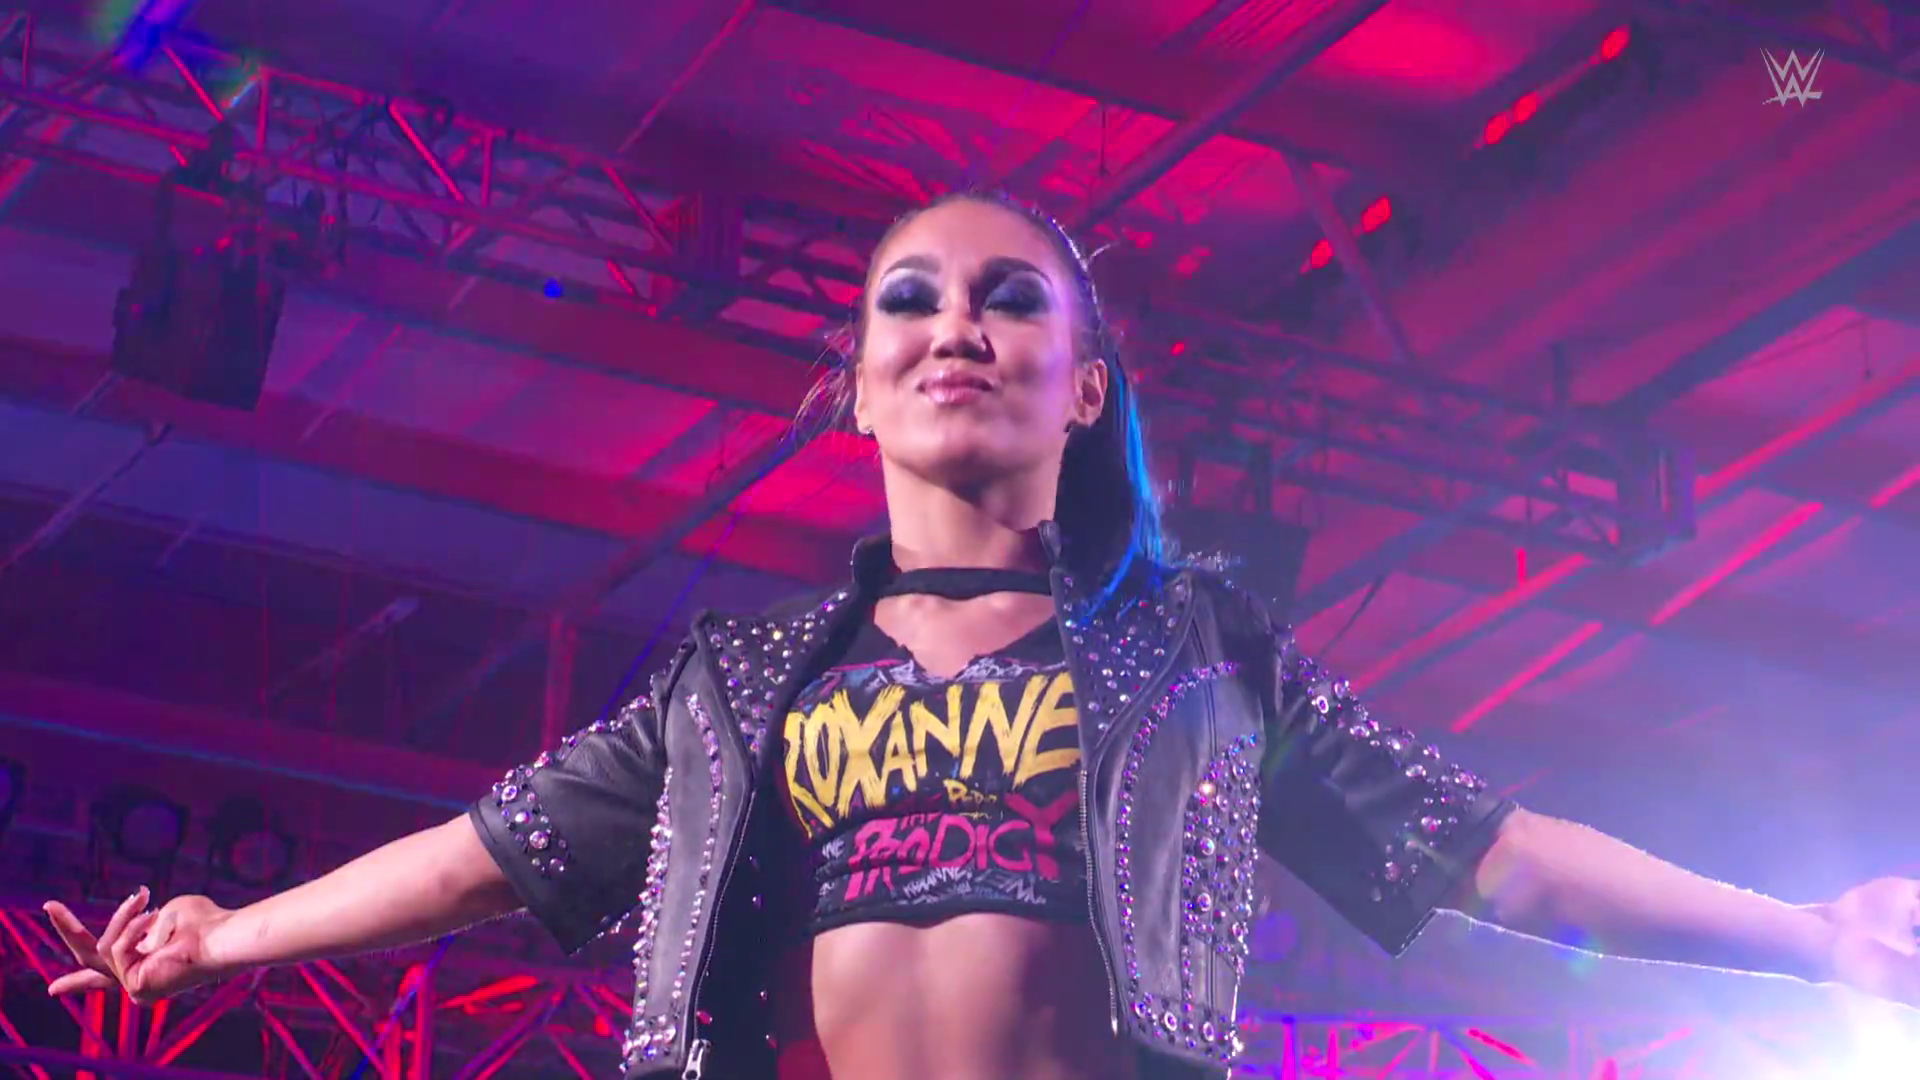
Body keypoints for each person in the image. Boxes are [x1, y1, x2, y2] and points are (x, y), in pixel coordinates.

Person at [43, 191, 1920, 1080]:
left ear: (1084, 384)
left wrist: (1812, 933)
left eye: (1012, 300)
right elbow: (488, 854)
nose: (958, 326)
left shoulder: (1194, 652)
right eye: (910, 302)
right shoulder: (742, 681)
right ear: (856, 385)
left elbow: (1488, 848)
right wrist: (225, 938)